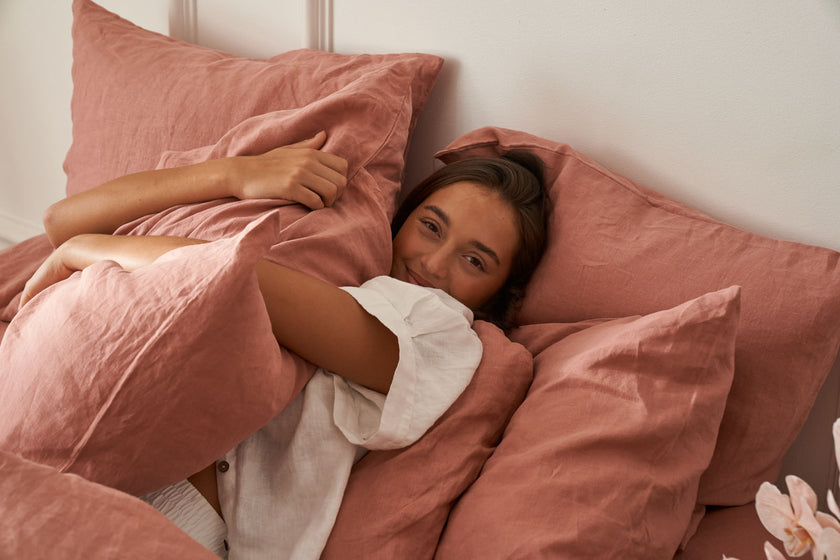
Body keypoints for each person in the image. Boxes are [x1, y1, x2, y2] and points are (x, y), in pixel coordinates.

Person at [20, 131, 549, 558]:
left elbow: (234, 277)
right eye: (430, 227)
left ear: (500, 292)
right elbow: (56, 221)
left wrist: (84, 251)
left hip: (177, 516)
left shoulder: (440, 333)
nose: (434, 264)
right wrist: (236, 173)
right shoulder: (339, 254)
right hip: (100, 462)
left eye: (475, 260)